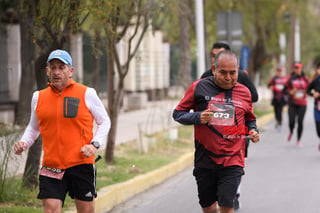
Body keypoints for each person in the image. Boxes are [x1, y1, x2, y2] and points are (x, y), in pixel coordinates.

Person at [13, 49, 111, 213]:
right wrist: (24, 142)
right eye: (53, 67)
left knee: (86, 210)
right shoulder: (38, 97)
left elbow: (105, 121)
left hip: (81, 164)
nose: (56, 72)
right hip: (52, 166)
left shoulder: (87, 93)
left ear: (70, 71)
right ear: (47, 71)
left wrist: (94, 144)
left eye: (61, 67)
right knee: (50, 209)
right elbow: (33, 127)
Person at [173, 50, 260, 213]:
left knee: (227, 206)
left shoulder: (244, 92)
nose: (228, 78)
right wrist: (198, 117)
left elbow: (250, 118)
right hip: (205, 159)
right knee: (209, 208)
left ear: (238, 70)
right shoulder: (198, 87)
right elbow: (177, 114)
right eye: (223, 73)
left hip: (233, 159)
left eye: (232, 73)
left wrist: (253, 130)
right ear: (214, 69)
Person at [201, 42, 259, 210]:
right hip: (213, 135)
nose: (227, 76)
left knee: (234, 168)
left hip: (237, 132)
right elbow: (197, 100)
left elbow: (253, 97)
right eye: (213, 55)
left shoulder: (240, 76)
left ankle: (234, 193)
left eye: (219, 54)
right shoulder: (205, 76)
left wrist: (236, 102)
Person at [284, 62, 309, 147]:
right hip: (292, 103)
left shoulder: (305, 78)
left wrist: (308, 93)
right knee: (291, 121)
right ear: (293, 69)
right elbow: (284, 90)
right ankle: (291, 131)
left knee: (300, 122)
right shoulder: (290, 78)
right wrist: (290, 92)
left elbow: (310, 89)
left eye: (298, 68)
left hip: (302, 104)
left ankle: (298, 140)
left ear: (301, 69)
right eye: (295, 68)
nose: (297, 70)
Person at [268, 66, 288, 132]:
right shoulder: (274, 79)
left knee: (280, 111)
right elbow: (269, 85)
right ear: (277, 72)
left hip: (282, 97)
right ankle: (277, 120)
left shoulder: (285, 79)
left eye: (280, 71)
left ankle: (280, 124)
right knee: (276, 111)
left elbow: (287, 87)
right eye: (278, 71)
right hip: (275, 97)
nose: (279, 72)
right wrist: (271, 87)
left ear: (282, 72)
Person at [306, 62, 320, 151]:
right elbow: (308, 90)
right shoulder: (315, 81)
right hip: (317, 108)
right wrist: (313, 93)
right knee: (319, 130)